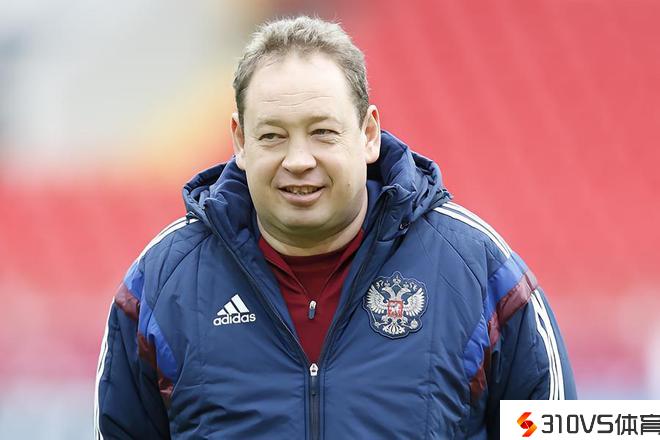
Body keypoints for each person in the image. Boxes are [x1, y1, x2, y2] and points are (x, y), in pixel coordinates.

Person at [95, 15, 576, 439]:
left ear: (368, 133)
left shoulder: (478, 271)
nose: (298, 160)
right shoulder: (162, 283)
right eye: (272, 136)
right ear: (240, 141)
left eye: (322, 132)